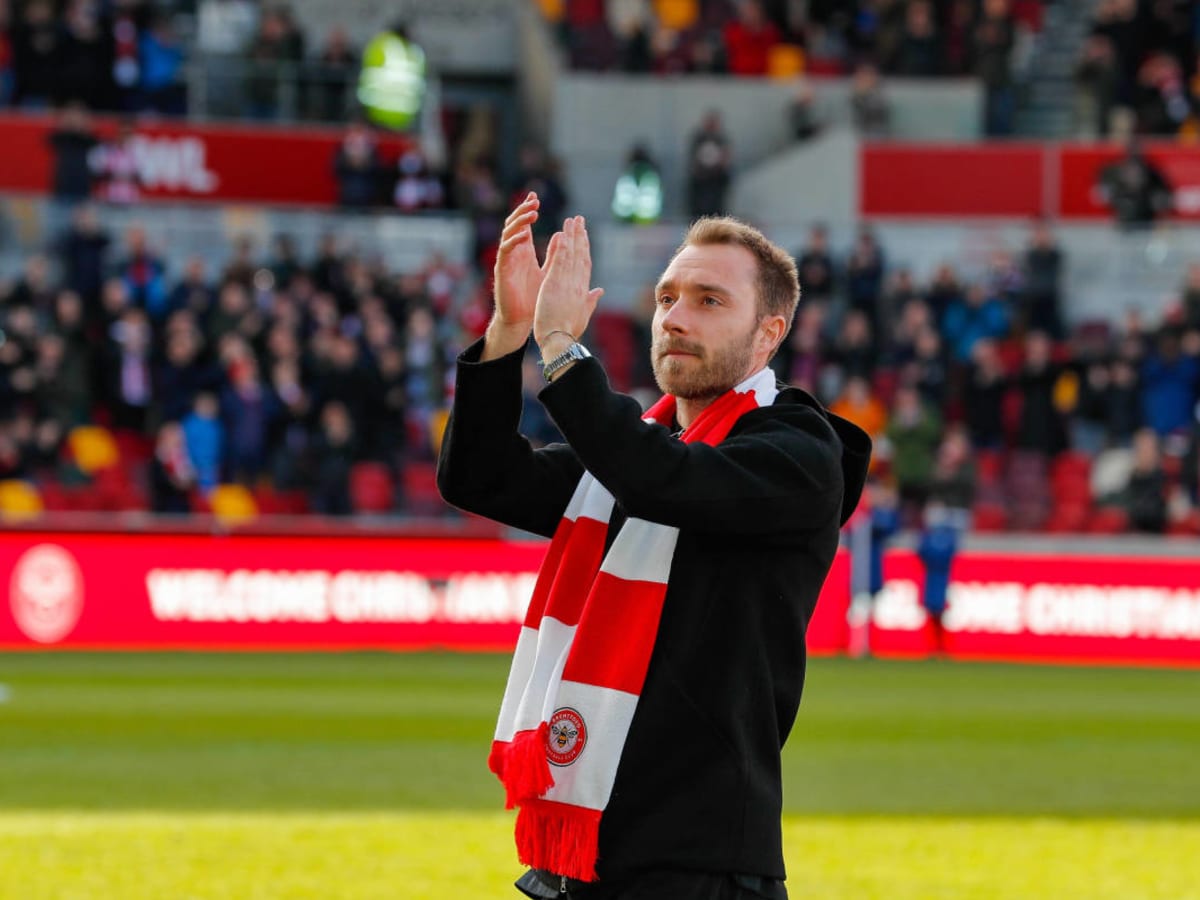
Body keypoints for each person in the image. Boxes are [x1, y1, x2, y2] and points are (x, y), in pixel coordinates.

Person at [437, 194, 870, 898]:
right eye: (667, 297)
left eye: (707, 300)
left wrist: (562, 352)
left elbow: (667, 483)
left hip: (703, 864)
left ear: (769, 333)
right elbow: (482, 477)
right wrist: (511, 331)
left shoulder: (800, 451)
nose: (674, 317)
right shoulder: (642, 447)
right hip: (587, 854)